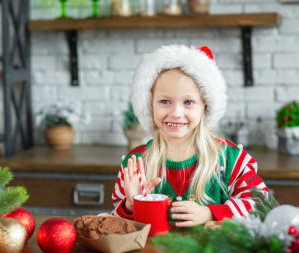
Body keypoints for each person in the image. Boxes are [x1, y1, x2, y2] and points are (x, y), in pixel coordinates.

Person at [111, 44, 268, 227]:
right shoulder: (135, 163)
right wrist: (130, 206)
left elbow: (260, 205)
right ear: (150, 104)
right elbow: (116, 226)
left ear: (205, 105)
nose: (176, 112)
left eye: (188, 102)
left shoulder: (231, 159)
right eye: (165, 101)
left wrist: (210, 213)